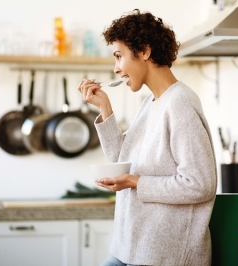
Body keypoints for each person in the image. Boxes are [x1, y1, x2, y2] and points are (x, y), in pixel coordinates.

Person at [78, 9, 217, 266]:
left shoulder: (180, 103)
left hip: (164, 257)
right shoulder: (150, 103)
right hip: (130, 247)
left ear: (143, 51)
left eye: (119, 56)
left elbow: (199, 184)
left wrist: (134, 181)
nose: (117, 68)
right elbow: (122, 160)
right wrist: (105, 109)